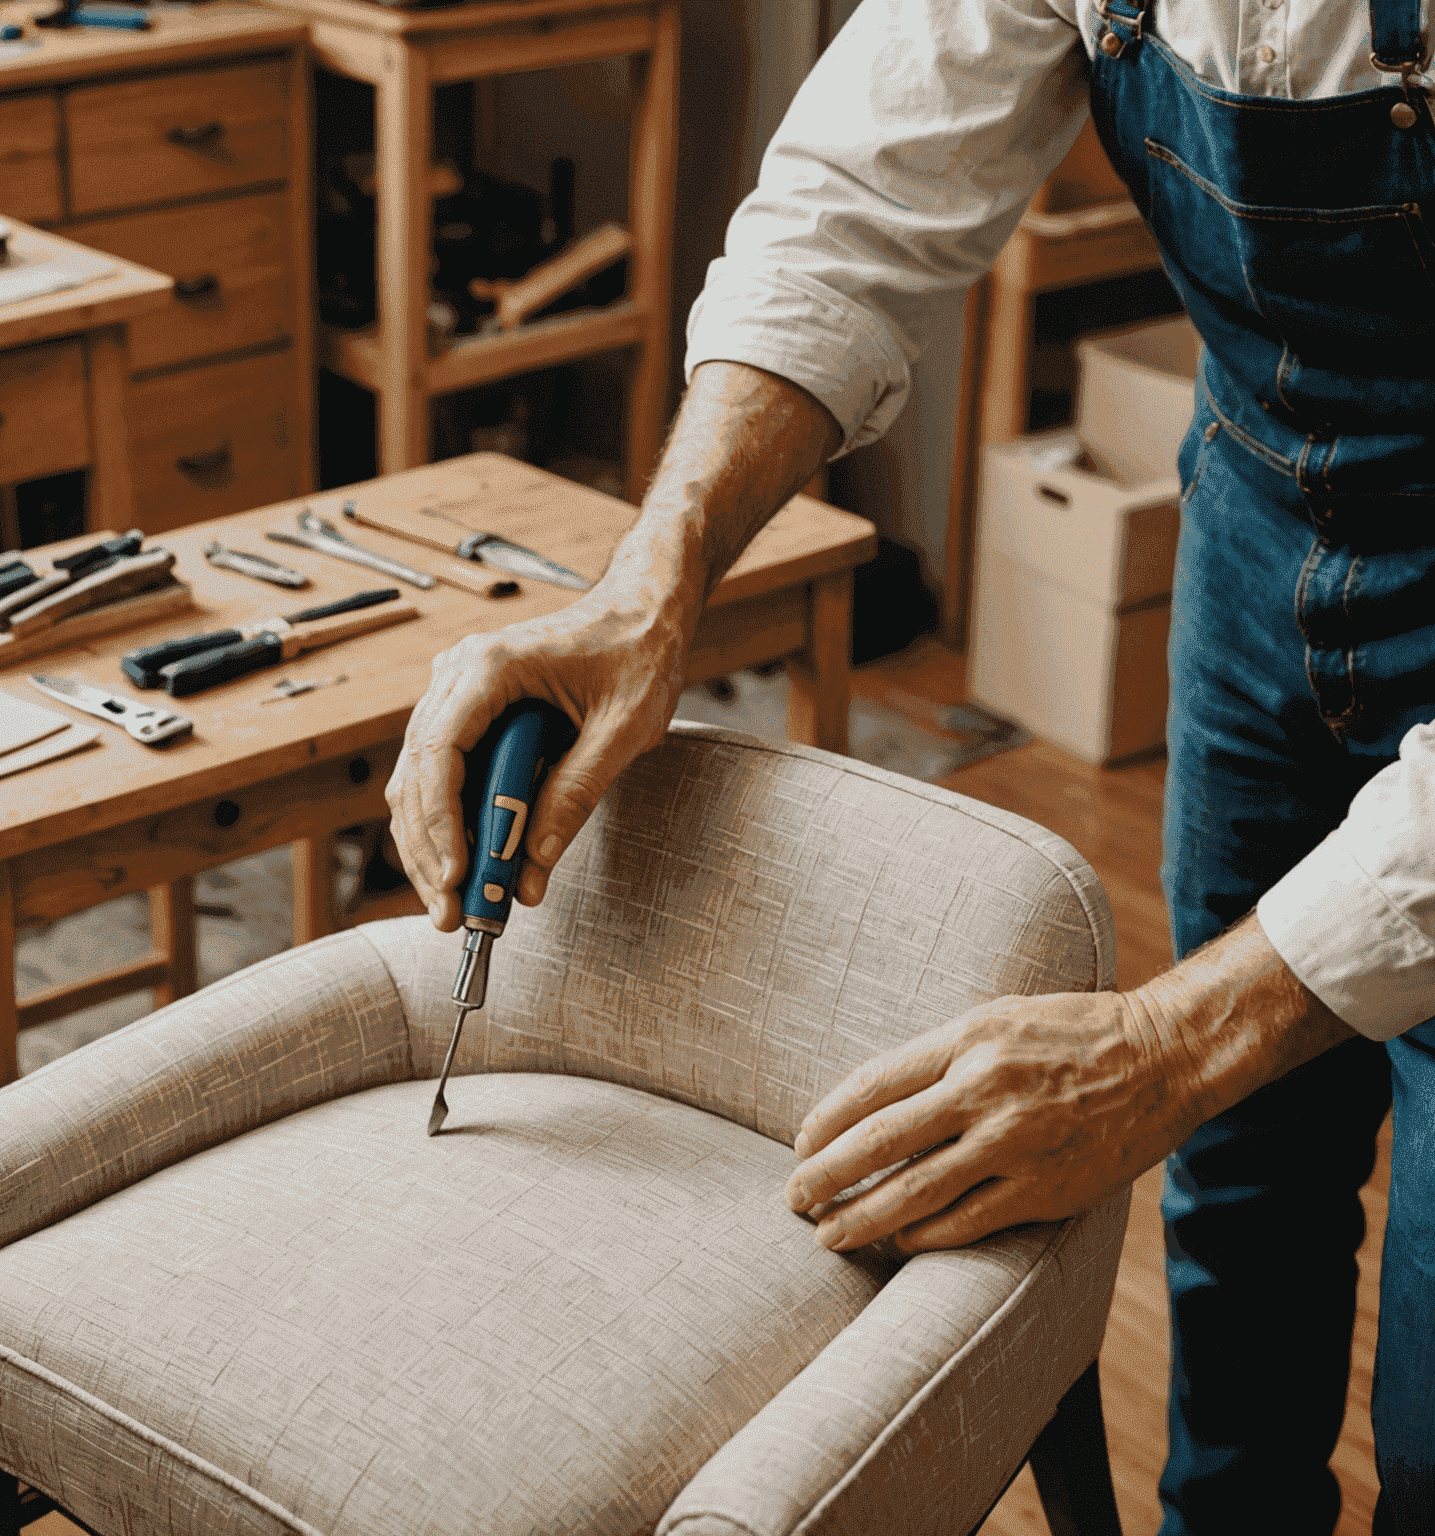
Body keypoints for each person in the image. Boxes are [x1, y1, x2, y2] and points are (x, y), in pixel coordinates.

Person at [386, 2, 1435, 1530]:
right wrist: (651, 584)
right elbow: (859, 206)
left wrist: (1162, 1043)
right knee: (1243, 1186)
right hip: (1265, 526)